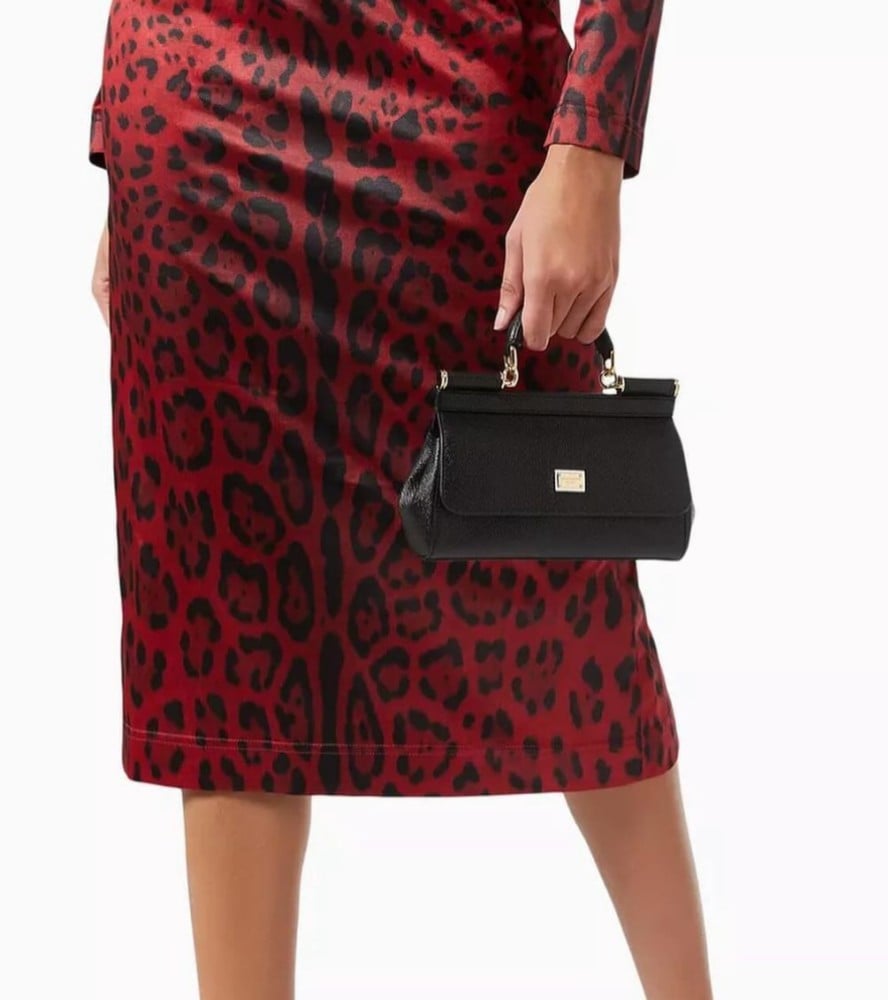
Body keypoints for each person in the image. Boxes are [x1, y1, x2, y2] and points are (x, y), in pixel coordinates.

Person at [89, 2, 711, 997]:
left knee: (572, 592)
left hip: (465, 91)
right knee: (233, 652)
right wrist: (116, 145)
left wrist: (590, 141)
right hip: (195, 111)